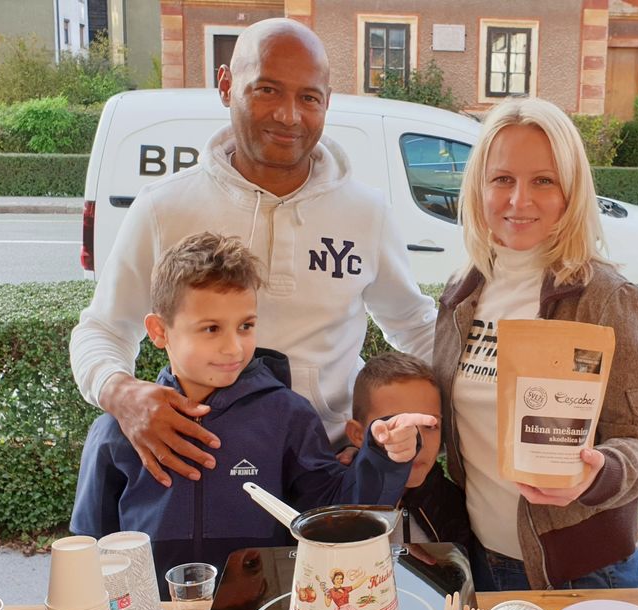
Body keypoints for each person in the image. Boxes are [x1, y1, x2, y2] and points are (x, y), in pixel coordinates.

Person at [69, 18, 435, 488]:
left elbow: (415, 326)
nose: (288, 115)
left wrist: (482, 401)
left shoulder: (367, 213)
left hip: (327, 470)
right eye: (267, 90)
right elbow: (103, 328)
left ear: (327, 101)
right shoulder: (164, 206)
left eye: (309, 97)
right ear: (226, 85)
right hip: (201, 470)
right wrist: (122, 394)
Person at [70, 232, 435, 594]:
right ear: (159, 330)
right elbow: (88, 554)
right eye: (211, 328)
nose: (233, 347)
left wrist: (384, 456)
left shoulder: (288, 417)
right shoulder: (114, 432)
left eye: (245, 326)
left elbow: (337, 519)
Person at [432, 97, 638, 591]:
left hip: (582, 570)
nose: (519, 201)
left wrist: (599, 473)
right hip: (482, 558)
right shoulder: (461, 294)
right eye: (502, 179)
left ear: (571, 191)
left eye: (543, 180)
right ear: (478, 187)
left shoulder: (606, 299)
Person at [344, 352, 471, 547]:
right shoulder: (334, 499)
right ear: (358, 435)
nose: (416, 442)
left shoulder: (453, 503)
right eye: (396, 425)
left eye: (429, 426)